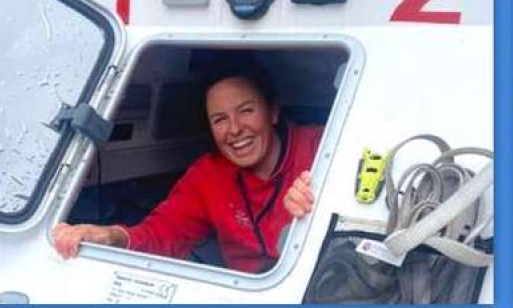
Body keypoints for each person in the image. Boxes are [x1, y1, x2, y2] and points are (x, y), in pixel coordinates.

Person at [53, 63, 319, 274]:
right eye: (220, 119)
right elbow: (162, 234)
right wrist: (111, 237)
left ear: (273, 112)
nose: (235, 129)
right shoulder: (208, 175)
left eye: (246, 111)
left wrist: (319, 203)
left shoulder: (322, 147)